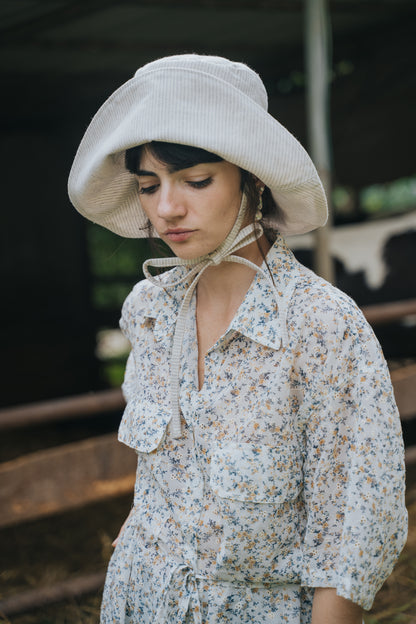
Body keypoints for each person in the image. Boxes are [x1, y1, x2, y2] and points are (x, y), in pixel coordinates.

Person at [68, 54, 407, 624]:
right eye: (149, 186)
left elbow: (353, 531)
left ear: (252, 178)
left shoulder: (322, 326)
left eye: (197, 181)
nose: (167, 207)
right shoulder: (148, 311)